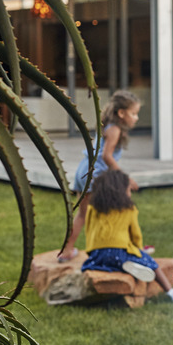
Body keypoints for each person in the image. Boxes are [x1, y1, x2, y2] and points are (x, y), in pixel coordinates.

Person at [58, 90, 141, 262]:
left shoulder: (110, 127)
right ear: (121, 113)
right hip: (94, 175)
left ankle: (68, 250)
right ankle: (129, 246)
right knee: (121, 203)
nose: (136, 118)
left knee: (83, 214)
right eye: (133, 113)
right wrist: (124, 178)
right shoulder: (115, 130)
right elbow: (106, 156)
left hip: (85, 170)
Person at [80, 169, 173, 304]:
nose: (130, 193)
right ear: (121, 191)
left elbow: (89, 230)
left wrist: (92, 250)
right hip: (120, 251)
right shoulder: (129, 209)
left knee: (108, 262)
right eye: (129, 190)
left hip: (98, 254)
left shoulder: (93, 208)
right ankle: (172, 294)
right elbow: (136, 235)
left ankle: (120, 266)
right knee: (153, 264)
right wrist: (139, 250)